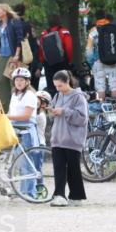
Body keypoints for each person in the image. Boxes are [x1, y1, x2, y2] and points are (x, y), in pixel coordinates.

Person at [48, 70, 87, 207]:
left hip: (72, 140)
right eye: (56, 86)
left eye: (60, 86)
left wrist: (64, 111)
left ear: (67, 82)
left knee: (73, 169)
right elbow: (52, 110)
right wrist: (51, 111)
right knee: (58, 168)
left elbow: (82, 118)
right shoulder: (58, 96)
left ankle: (76, 196)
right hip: (57, 138)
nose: (58, 89)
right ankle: (59, 195)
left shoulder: (78, 97)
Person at [8, 67, 41, 198]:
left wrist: (7, 117)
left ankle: (29, 192)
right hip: (15, 130)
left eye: (22, 80)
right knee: (19, 161)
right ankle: (21, 190)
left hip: (26, 130)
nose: (19, 82)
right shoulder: (15, 95)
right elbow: (12, 113)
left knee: (27, 162)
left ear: (27, 82)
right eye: (17, 80)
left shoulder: (30, 95)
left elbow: (26, 116)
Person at [85, 13, 116, 101]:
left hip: (99, 62)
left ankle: (102, 108)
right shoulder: (115, 28)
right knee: (114, 86)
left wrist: (91, 62)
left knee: (100, 87)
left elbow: (89, 50)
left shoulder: (93, 31)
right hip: (114, 61)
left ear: (96, 20)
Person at [38, 15, 73, 95]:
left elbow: (41, 49)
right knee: (65, 84)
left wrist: (43, 61)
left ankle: (54, 104)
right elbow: (69, 48)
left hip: (49, 64)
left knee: (51, 87)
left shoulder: (44, 33)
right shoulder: (64, 32)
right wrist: (68, 60)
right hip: (62, 63)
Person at [0, 3, 19, 109]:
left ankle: (15, 107)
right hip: (2, 56)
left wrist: (17, 55)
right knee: (0, 82)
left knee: (13, 82)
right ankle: (4, 107)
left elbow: (19, 39)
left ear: (4, 11)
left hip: (12, 55)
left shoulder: (14, 22)